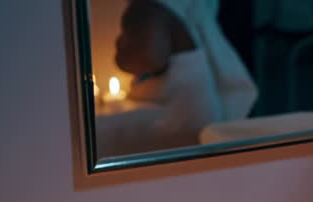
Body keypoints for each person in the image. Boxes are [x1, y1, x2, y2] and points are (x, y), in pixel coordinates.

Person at [94, 0, 256, 156]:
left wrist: (121, 52)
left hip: (184, 115)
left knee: (98, 135)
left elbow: (148, 58)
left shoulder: (147, 8)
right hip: (197, 110)